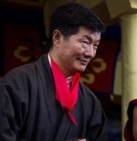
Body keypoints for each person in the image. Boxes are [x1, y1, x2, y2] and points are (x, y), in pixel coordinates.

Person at [0, 2, 108, 141]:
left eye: (95, 45)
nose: (90, 53)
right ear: (57, 38)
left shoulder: (90, 102)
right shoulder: (17, 84)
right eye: (85, 42)